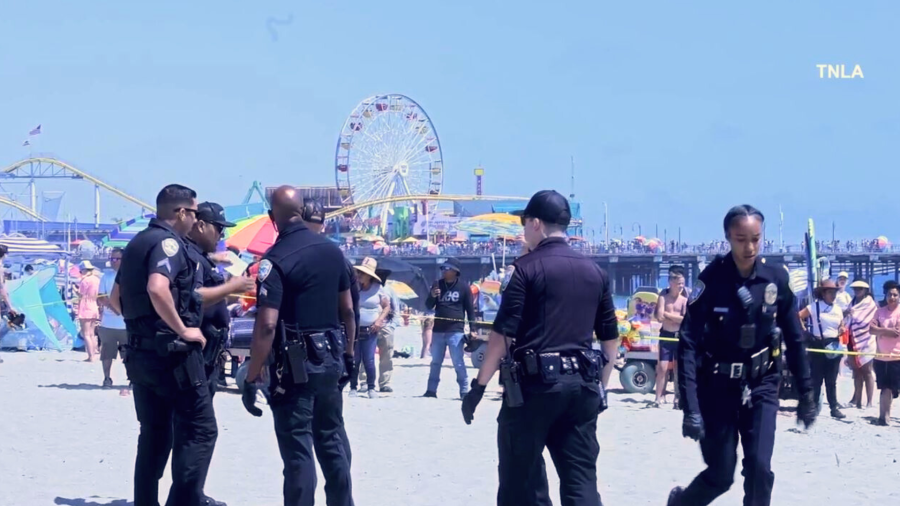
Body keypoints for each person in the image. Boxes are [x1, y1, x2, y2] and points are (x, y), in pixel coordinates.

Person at [461, 189, 617, 506]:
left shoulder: (526, 270)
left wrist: (478, 387)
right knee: (581, 482)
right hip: (583, 386)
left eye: (523, 225)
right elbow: (610, 339)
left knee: (522, 482)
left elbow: (501, 337)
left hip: (534, 390)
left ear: (535, 224)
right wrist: (602, 387)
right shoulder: (596, 272)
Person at [668, 205, 817, 506]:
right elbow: (687, 342)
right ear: (727, 237)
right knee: (721, 474)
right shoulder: (711, 280)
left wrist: (807, 394)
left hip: (762, 383)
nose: (749, 247)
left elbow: (795, 337)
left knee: (760, 469)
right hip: (716, 386)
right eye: (740, 239)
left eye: (755, 239)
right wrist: (691, 407)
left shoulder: (775, 278)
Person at [241, 186, 357, 506]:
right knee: (332, 441)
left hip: (294, 368)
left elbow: (266, 326)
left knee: (298, 452)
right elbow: (347, 311)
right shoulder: (333, 252)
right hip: (330, 358)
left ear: (271, 217)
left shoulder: (275, 260)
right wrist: (348, 354)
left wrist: (252, 378)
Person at [109, 184, 218, 506]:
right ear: (181, 212)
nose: (196, 220)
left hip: (140, 353)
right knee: (201, 430)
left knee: (153, 434)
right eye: (194, 213)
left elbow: (116, 300)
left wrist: (141, 325)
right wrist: (182, 329)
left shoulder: (136, 243)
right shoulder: (168, 243)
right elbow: (158, 288)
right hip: (172, 357)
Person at [187, 202, 255, 395]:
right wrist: (232, 286)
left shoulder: (202, 259)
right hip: (197, 349)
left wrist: (231, 291)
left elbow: (213, 301)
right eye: (218, 228)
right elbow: (195, 298)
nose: (221, 236)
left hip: (210, 351)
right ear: (201, 226)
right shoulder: (191, 258)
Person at [424, 257, 477, 398]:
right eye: (442, 268)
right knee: (435, 361)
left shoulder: (464, 287)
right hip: (438, 330)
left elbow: (470, 310)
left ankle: (464, 391)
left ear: (455, 271)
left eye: (446, 268)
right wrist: (432, 295)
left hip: (456, 329)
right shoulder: (437, 284)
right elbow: (428, 305)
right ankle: (431, 390)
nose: (443, 271)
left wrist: (473, 329)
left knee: (458, 362)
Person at [798, 279, 846, 419]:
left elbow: (841, 324)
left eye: (834, 292)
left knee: (832, 380)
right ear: (823, 293)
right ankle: (813, 408)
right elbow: (799, 316)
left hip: (834, 344)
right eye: (830, 292)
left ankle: (833, 408)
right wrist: (805, 331)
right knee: (816, 378)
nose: (833, 295)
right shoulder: (814, 306)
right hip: (818, 344)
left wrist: (842, 329)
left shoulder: (837, 309)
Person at [349, 257, 390, 399]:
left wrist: (379, 320)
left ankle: (371, 388)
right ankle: (353, 387)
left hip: (371, 329)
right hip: (354, 328)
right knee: (355, 359)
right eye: (359, 272)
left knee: (369, 360)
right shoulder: (354, 287)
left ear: (369, 276)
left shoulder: (378, 289)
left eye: (363, 273)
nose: (359, 275)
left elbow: (387, 307)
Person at [653, 266, 687, 408]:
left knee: (678, 368)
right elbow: (659, 317)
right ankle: (658, 396)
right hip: (665, 335)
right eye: (678, 283)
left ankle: (677, 398)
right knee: (662, 367)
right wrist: (673, 317)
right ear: (671, 283)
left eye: (682, 283)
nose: (681, 286)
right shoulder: (663, 296)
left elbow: (684, 320)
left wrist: (667, 315)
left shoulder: (684, 300)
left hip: (679, 336)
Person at [870, 280, 900, 426]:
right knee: (884, 388)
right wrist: (885, 331)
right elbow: (871, 329)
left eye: (895, 295)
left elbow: (897, 333)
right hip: (881, 356)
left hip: (897, 356)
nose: (892, 297)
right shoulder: (879, 311)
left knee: (895, 388)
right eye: (889, 294)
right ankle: (883, 417)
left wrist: (880, 330)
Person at [98, 248, 128, 388]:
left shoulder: (131, 276)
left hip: (125, 324)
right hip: (108, 323)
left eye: (117, 259)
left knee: (128, 354)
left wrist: (120, 310)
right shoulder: (106, 276)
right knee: (107, 354)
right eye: (112, 259)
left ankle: (132, 379)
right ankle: (107, 378)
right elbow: (101, 297)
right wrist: (114, 308)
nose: (113, 262)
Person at [846, 280, 877, 410]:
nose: (857, 290)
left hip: (867, 340)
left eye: (860, 288)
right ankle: (857, 401)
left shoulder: (871, 304)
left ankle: (869, 401)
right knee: (856, 372)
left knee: (868, 371)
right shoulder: (851, 304)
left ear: (865, 290)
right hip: (852, 340)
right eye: (855, 288)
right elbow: (847, 320)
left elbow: (869, 321)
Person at [77, 261, 102, 362]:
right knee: (92, 334)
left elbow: (81, 295)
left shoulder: (85, 280)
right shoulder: (97, 279)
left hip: (85, 306)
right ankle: (94, 354)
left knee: (86, 334)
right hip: (94, 306)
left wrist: (75, 290)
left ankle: (91, 356)